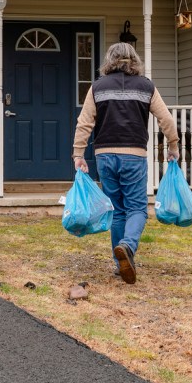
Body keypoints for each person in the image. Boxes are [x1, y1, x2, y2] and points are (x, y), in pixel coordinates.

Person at [72, 42, 179, 284]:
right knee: (137, 208)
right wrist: (173, 146)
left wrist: (78, 154)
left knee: (117, 210)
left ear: (109, 60)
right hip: (134, 155)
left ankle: (119, 264)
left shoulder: (97, 87)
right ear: (134, 60)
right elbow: (167, 120)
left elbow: (84, 122)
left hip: (104, 155)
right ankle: (128, 247)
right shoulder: (146, 86)